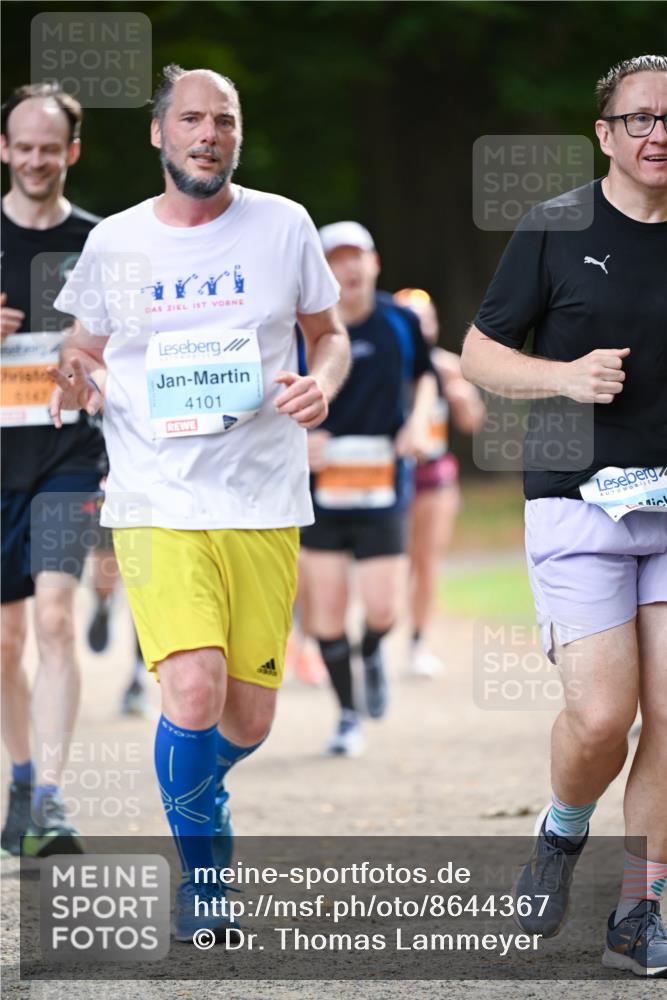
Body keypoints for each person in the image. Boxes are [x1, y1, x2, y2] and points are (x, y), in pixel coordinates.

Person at [49, 64, 350, 942]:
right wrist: (75, 375)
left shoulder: (284, 224)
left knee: (247, 718)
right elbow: (82, 345)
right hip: (154, 495)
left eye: (223, 120)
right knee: (191, 686)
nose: (207, 134)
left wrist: (323, 383)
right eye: (190, 119)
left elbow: (329, 337)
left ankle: (196, 791)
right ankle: (205, 886)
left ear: (236, 135)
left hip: (262, 497)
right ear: (159, 133)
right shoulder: (116, 241)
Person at [461, 55, 667, 976]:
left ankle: (639, 911)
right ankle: (561, 826)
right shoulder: (555, 227)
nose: (656, 133)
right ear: (604, 133)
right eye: (638, 118)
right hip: (577, 499)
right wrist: (562, 377)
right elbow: (478, 354)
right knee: (601, 717)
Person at [0, 84, 106, 857]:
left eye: (50, 148)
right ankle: (21, 777)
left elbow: (132, 349)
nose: (37, 160)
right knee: (6, 643)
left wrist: (92, 365)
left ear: (71, 152)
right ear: (4, 149)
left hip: (69, 458)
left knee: (57, 619)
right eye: (24, 147)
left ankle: (51, 802)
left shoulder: (100, 245)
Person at [299, 222, 437, 757]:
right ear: (321, 269)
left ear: (375, 263)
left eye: (358, 256)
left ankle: (374, 648)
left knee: (382, 610)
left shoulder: (400, 320)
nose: (350, 267)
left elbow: (425, 375)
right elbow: (270, 395)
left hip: (382, 482)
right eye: (337, 258)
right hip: (321, 489)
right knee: (326, 616)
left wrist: (418, 422)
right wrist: (299, 441)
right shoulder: (300, 327)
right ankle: (346, 715)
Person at [393, 288, 486, 677]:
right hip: (386, 476)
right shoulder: (381, 362)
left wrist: (464, 401)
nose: (420, 325)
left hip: (434, 476)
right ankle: (377, 636)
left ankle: (418, 643)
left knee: (426, 562)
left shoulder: (447, 367)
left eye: (425, 318)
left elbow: (472, 422)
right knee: (390, 563)